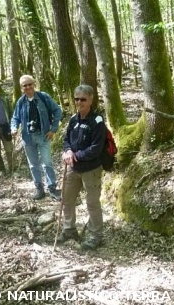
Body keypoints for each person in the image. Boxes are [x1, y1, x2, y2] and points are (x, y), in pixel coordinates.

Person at [59, 84, 106, 250]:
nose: (79, 102)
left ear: (91, 99)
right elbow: (66, 140)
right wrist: (67, 151)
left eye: (83, 99)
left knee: (92, 203)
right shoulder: (73, 119)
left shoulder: (97, 121)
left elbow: (96, 149)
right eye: (76, 99)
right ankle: (69, 229)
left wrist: (75, 156)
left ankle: (96, 235)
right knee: (67, 199)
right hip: (73, 168)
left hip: (91, 169)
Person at [11, 75, 62, 200]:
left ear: (34, 84)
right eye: (25, 85)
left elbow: (57, 111)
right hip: (27, 137)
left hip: (43, 135)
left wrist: (53, 129)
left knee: (47, 163)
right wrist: (13, 128)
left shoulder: (43, 97)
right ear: (21, 87)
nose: (28, 87)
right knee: (33, 164)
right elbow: (15, 118)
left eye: (30, 84)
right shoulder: (21, 101)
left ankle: (52, 188)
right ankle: (39, 188)